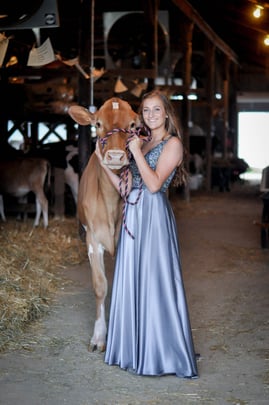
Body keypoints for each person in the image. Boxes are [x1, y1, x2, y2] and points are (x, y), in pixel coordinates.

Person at [95, 90, 198, 378]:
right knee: (131, 279)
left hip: (154, 219)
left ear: (166, 113)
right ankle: (131, 348)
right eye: (146, 110)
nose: (151, 115)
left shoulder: (172, 144)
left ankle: (160, 352)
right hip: (134, 214)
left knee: (155, 282)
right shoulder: (143, 140)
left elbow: (153, 186)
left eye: (156, 110)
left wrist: (136, 152)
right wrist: (105, 165)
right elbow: (127, 189)